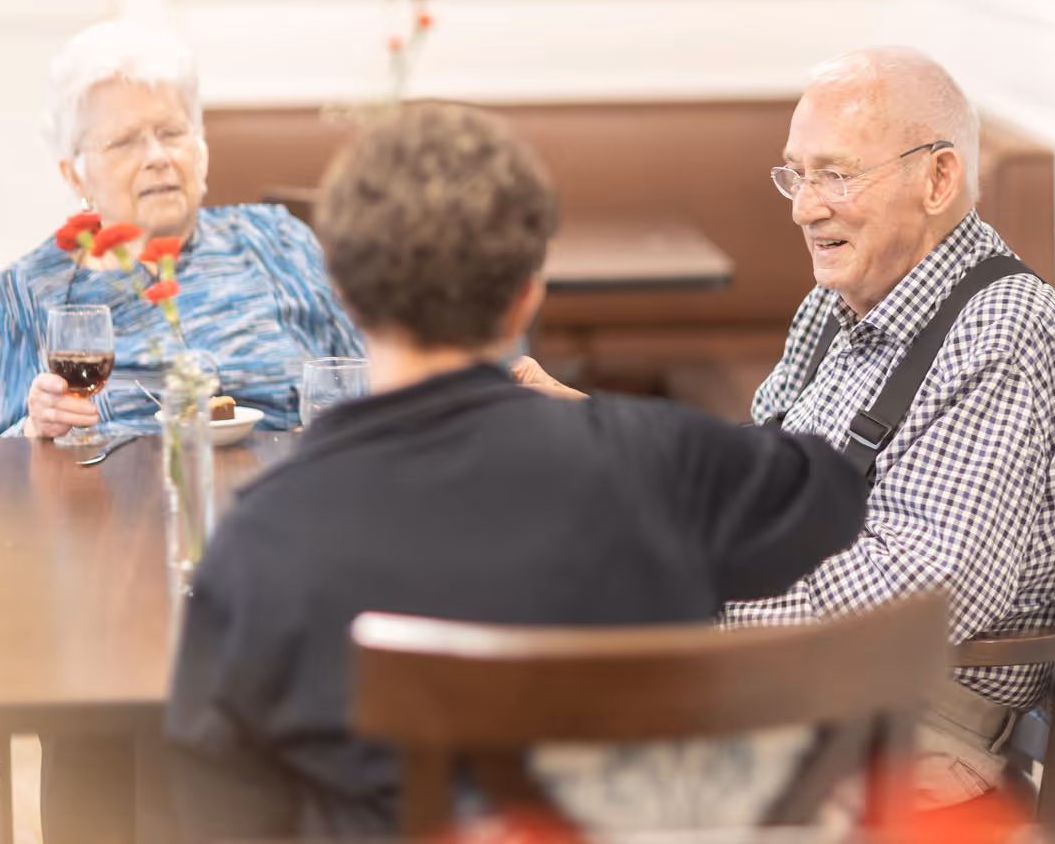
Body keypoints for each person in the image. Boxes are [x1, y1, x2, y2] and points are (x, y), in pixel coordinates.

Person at [164, 102, 867, 838]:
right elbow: (832, 492)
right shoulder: (668, 463)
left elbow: (226, 819)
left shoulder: (255, 545)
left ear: (340, 291)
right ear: (527, 295)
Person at [517, 46, 1055, 808]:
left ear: (939, 178)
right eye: (797, 173)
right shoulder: (841, 299)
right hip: (793, 684)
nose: (803, 206)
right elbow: (763, 480)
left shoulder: (1000, 336)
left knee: (535, 753)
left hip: (903, 730)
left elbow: (917, 601)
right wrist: (612, 442)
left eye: (837, 174)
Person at [0, 20, 362, 439]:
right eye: (123, 141)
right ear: (75, 176)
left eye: (171, 133)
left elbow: (369, 380)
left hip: (288, 492)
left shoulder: (277, 242)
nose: (157, 156)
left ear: (200, 150)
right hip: (113, 501)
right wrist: (31, 430)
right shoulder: (19, 298)